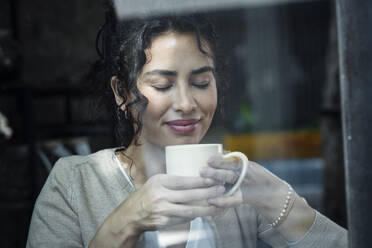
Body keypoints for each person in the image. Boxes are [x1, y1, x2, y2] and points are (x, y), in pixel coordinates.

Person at [26, 1, 347, 247]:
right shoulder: (74, 184)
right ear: (121, 93)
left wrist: (276, 196)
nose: (186, 103)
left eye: (201, 82)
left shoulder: (233, 189)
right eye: (163, 85)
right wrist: (126, 221)